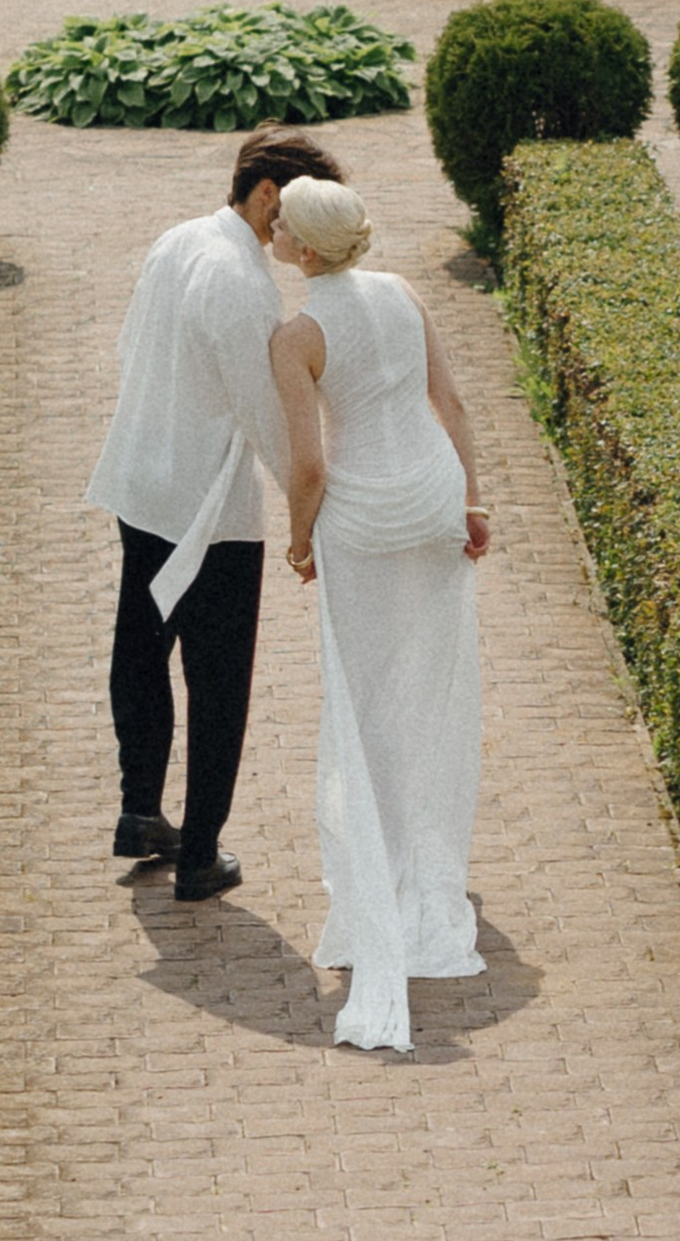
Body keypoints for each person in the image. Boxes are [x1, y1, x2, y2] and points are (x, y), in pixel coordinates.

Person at [84, 128, 346, 899]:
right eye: (292, 212)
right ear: (267, 194)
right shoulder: (240, 279)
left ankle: (140, 808)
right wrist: (311, 515)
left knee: (139, 648)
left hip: (142, 480)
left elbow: (133, 347)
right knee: (218, 682)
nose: (293, 233)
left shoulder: (177, 239)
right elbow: (266, 414)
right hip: (209, 509)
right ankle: (200, 851)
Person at [268, 176, 489, 1054]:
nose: (272, 227)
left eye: (282, 223)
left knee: (360, 701)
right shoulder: (402, 294)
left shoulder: (298, 336)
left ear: (308, 251)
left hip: (361, 518)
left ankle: (380, 866)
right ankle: (423, 857)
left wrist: (296, 542)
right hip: (432, 500)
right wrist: (474, 503)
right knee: (431, 684)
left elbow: (310, 467)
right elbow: (455, 407)